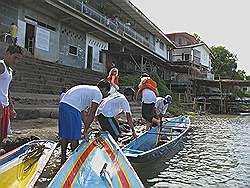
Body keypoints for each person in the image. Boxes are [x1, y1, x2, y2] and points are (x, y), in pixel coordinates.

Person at [58, 80, 110, 164]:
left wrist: (87, 126)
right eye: (107, 92)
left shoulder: (89, 90)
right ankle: (76, 161)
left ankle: (63, 157)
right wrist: (85, 131)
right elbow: (91, 113)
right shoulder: (98, 94)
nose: (105, 96)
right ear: (104, 89)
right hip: (72, 108)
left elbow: (82, 112)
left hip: (63, 105)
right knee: (74, 137)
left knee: (65, 134)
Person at [0, 45, 23, 142]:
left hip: (5, 104)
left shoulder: (9, 70)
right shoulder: (1, 65)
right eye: (15, 57)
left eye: (18, 59)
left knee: (3, 134)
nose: (16, 61)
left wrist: (11, 107)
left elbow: (7, 88)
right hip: (0, 104)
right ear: (8, 54)